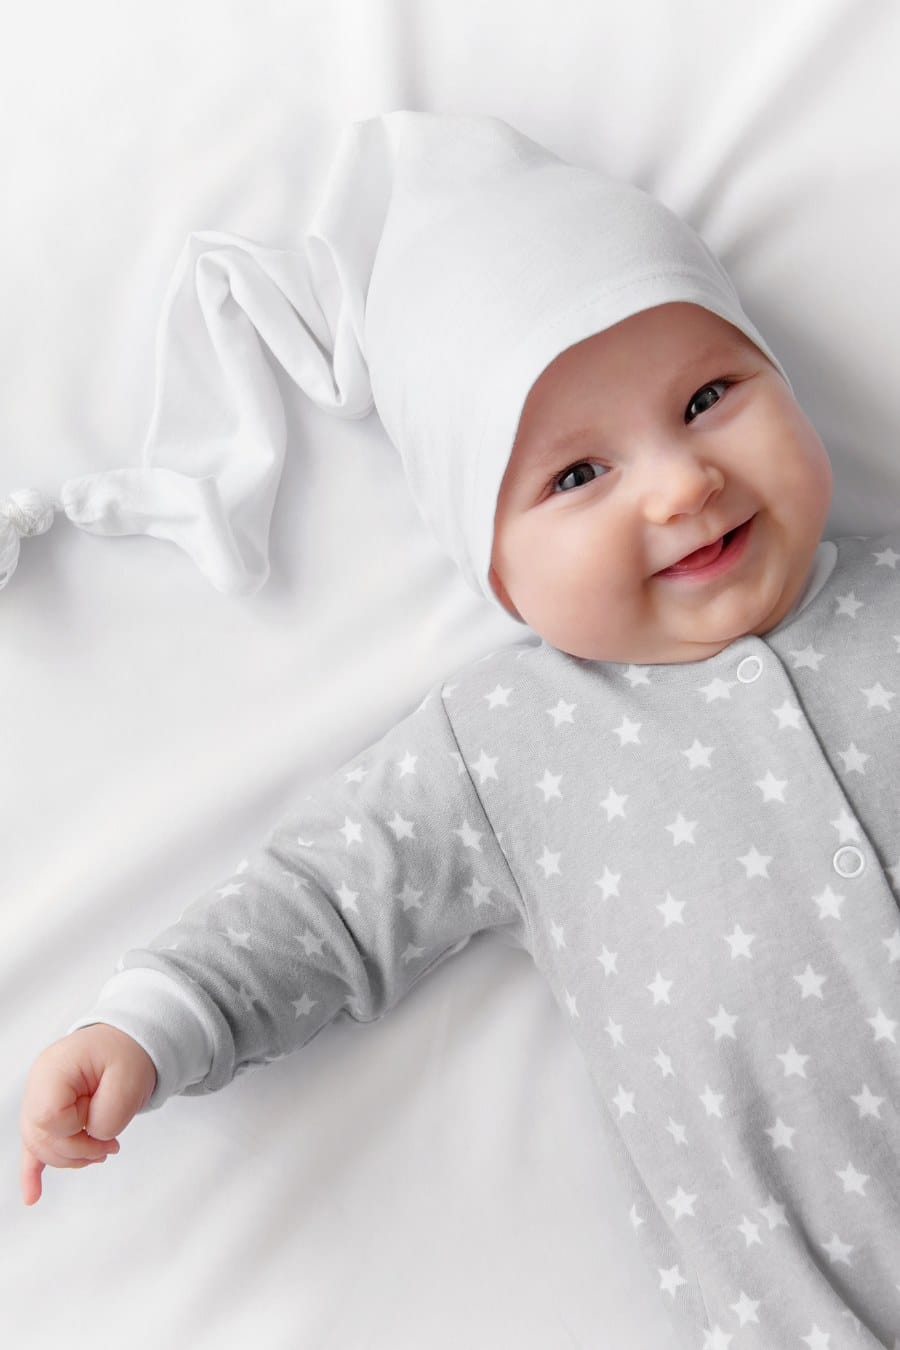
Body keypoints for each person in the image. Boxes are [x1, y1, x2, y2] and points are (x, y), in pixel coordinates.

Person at [17, 113, 900, 1348]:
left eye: (709, 396)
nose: (681, 483)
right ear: (494, 567)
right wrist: (155, 1025)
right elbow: (322, 901)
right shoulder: (512, 744)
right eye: (577, 476)